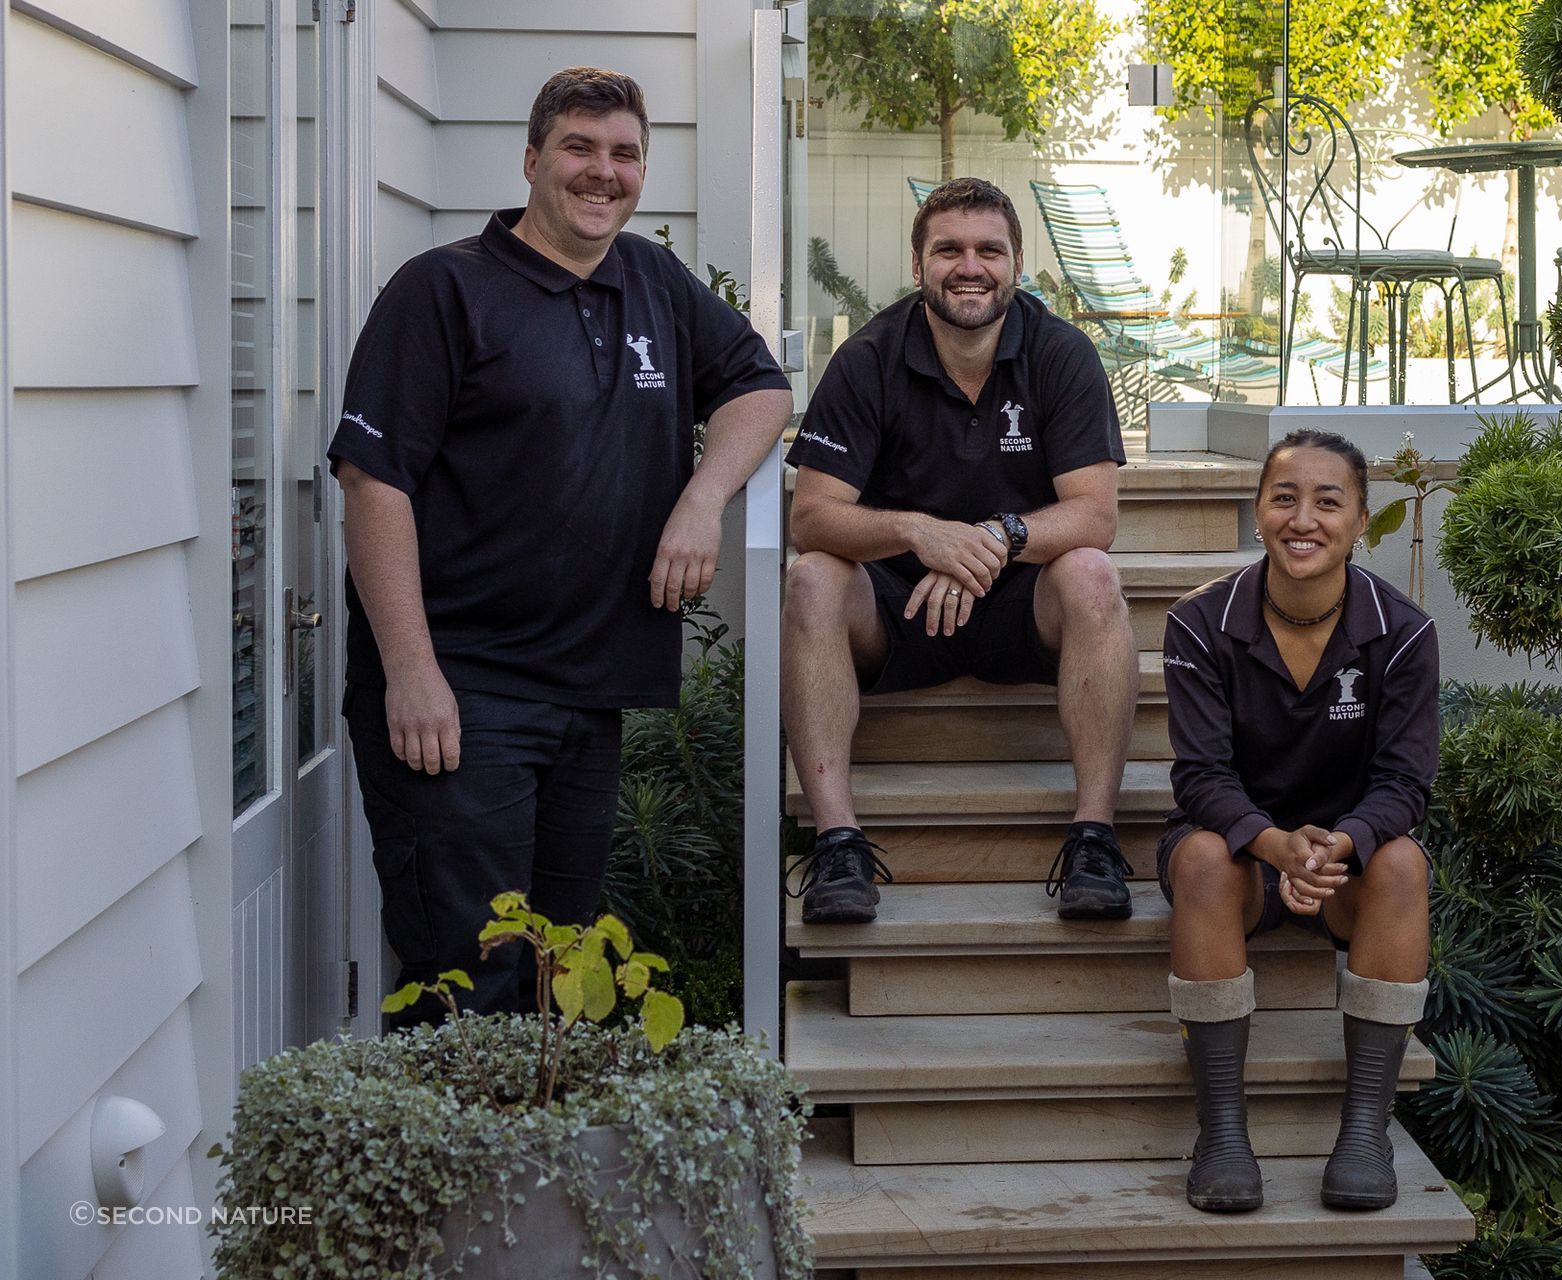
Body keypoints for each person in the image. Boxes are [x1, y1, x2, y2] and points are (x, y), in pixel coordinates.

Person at [326, 66, 792, 1025]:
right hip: (461, 696)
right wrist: (410, 671)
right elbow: (373, 483)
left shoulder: (650, 279)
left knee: (565, 973)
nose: (603, 172)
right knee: (468, 977)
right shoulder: (443, 290)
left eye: (624, 153)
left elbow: (762, 390)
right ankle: (452, 1177)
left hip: (590, 692)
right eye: (579, 148)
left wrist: (703, 497)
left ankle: (535, 1177)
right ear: (532, 160)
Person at [782, 177, 1137, 925]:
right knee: (812, 579)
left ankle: (1095, 839)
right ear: (918, 266)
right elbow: (811, 519)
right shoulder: (868, 358)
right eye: (949, 249)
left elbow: (1095, 516)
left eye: (989, 250)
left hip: (1019, 608)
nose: (968, 266)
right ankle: (839, 844)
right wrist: (918, 532)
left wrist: (995, 538)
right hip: (895, 611)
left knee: (1093, 574)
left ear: (1016, 265)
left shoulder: (1061, 354)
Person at [1158, 429, 1437, 1213]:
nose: (1303, 518)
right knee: (1205, 859)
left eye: (1327, 501)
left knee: (1405, 862)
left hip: (1348, 862)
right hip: (1243, 856)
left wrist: (1339, 842)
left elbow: (1405, 782)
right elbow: (1200, 776)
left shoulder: (1404, 630)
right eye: (1284, 498)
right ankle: (1221, 1133)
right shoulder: (1198, 623)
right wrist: (1275, 846)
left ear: (1359, 521)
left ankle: (1363, 1133)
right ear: (1257, 513)